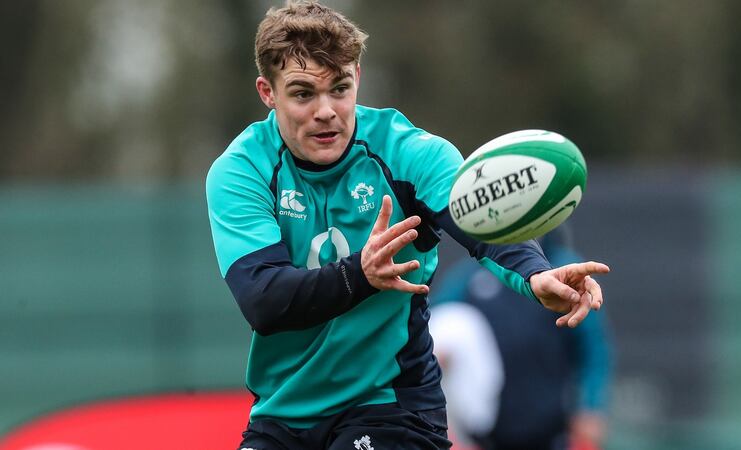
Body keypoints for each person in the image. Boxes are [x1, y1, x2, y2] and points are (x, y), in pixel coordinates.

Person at [205, 2, 610, 449]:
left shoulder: (411, 153)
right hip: (282, 413)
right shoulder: (242, 170)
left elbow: (480, 226)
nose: (326, 111)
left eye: (339, 88)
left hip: (392, 407)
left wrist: (536, 274)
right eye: (303, 94)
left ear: (358, 77)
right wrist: (359, 275)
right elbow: (264, 299)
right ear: (268, 92)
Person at [429, 225, 612, 450]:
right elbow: (435, 327)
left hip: (551, 430)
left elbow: (593, 351)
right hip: (488, 434)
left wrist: (591, 406)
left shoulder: (566, 272)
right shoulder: (472, 276)